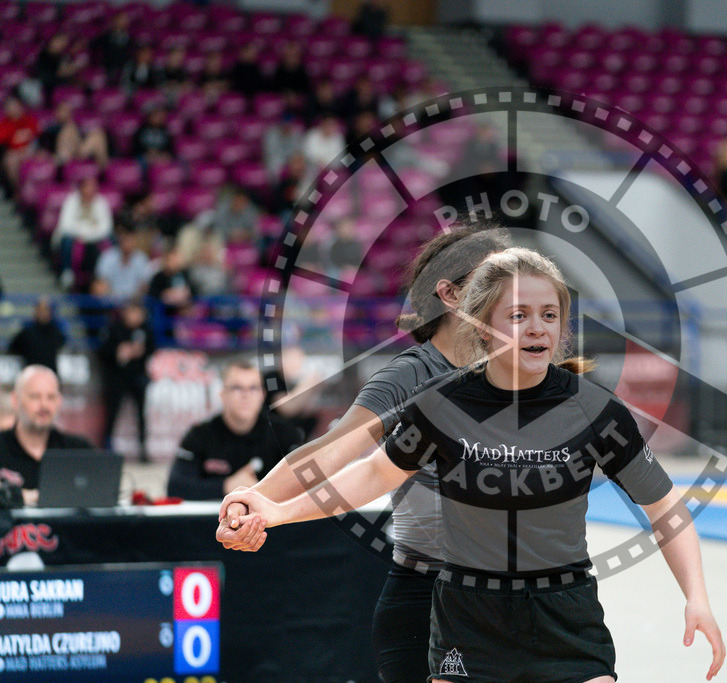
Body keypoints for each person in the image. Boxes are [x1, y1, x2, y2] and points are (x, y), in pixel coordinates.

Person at [222, 247, 726, 683]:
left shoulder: (595, 409)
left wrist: (698, 597)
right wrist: (275, 509)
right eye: (518, 315)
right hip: (468, 619)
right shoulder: (439, 402)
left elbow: (665, 506)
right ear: (482, 324)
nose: (538, 327)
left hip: (566, 617)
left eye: (550, 315)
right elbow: (372, 474)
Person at [218, 225, 511, 683]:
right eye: (493, 280)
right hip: (427, 597)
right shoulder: (411, 376)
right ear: (450, 295)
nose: (511, 296)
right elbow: (332, 451)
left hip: (511, 599)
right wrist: (253, 503)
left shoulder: (517, 374)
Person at [167, 360, 303, 500]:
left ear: (262, 395)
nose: (246, 395)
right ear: (223, 394)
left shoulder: (284, 433)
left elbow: (306, 483)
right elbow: (175, 487)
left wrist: (263, 490)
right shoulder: (199, 436)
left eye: (253, 388)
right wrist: (225, 486)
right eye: (237, 388)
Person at [0, 365, 92, 506]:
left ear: (59, 401)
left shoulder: (80, 450)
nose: (44, 405)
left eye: (51, 397)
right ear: (16, 400)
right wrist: (23, 496)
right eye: (35, 396)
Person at [98, 299, 155, 461]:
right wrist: (118, 352)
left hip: (137, 378)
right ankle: (106, 448)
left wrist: (140, 352)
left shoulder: (146, 330)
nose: (135, 316)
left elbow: (152, 348)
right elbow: (103, 351)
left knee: (141, 415)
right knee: (112, 413)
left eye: (139, 313)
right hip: (117, 378)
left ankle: (143, 450)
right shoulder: (114, 328)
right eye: (132, 312)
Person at [52, 176, 114, 289]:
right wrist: (87, 231)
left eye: (93, 187)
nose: (90, 190)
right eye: (87, 187)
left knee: (111, 240)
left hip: (93, 239)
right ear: (81, 188)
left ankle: (104, 276)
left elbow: (106, 228)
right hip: (75, 238)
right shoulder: (71, 200)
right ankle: (67, 272)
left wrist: (87, 234)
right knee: (67, 239)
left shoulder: (101, 202)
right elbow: (65, 225)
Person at [92, 224, 152, 302]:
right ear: (120, 240)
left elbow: (144, 285)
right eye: (125, 239)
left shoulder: (142, 259)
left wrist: (132, 300)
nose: (128, 243)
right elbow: (100, 283)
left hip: (134, 302)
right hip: (111, 301)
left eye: (130, 240)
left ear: (135, 241)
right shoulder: (108, 256)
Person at [7, 297, 65, 374]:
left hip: (50, 375)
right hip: (31, 375)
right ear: (35, 311)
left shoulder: (56, 332)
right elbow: (13, 348)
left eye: (46, 310)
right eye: (40, 310)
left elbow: (63, 345)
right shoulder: (27, 332)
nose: (43, 313)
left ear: (50, 312)